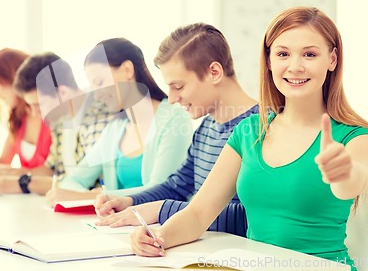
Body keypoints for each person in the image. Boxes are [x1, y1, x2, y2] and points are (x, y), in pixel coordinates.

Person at [130, 7, 368, 271]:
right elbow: (198, 214)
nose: (295, 66)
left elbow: (351, 184)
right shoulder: (249, 131)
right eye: (283, 54)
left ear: (332, 60)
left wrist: (342, 172)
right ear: (269, 60)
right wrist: (159, 237)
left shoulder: (359, 137)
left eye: (310, 54)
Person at [93, 23, 258, 237]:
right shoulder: (207, 127)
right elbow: (178, 186)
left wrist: (161, 210)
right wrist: (130, 202)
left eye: (178, 87)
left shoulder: (263, 128)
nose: (171, 99)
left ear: (214, 72)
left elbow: (253, 215)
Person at [45, 38, 194, 205]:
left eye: (100, 82)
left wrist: (94, 197)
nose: (96, 93)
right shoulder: (114, 130)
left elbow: (162, 189)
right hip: (119, 227)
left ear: (127, 69)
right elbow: (73, 181)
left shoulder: (174, 120)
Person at [0, 52, 114, 195]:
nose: (34, 113)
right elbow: (51, 168)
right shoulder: (59, 119)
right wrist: (13, 173)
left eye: (38, 105)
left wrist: (23, 182)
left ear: (63, 93)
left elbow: (88, 184)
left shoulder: (99, 116)